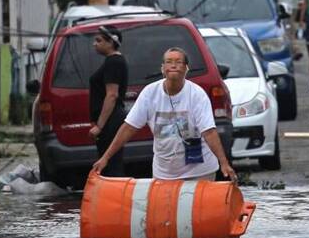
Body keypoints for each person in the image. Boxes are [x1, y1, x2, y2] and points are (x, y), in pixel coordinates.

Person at [91, 47, 238, 182]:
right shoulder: (150, 93)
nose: (173, 65)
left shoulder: (197, 94)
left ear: (186, 69)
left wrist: (223, 163)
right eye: (169, 62)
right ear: (163, 68)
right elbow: (129, 128)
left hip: (199, 171)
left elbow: (209, 131)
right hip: (165, 173)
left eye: (178, 62)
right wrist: (105, 158)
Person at [88, 26, 128, 177]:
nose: (94, 44)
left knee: (111, 164)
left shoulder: (114, 62)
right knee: (107, 164)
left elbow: (112, 95)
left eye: (99, 40)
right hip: (108, 122)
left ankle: (116, 197)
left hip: (111, 122)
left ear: (111, 42)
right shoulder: (110, 62)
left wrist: (99, 126)